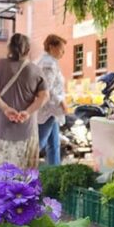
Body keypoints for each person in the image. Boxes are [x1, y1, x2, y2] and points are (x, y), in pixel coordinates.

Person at [0, 33, 47, 169]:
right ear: (28, 50)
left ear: (9, 48)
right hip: (26, 129)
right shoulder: (35, 70)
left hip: (0, 128)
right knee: (25, 175)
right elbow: (44, 96)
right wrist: (27, 112)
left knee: (1, 174)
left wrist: (5, 108)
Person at [36, 33, 68, 165]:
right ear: (51, 47)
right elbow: (47, 88)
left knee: (54, 145)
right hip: (49, 109)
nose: (63, 53)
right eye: (61, 49)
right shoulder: (48, 64)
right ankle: (21, 170)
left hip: (51, 110)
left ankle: (54, 172)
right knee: (40, 143)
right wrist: (62, 102)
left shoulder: (47, 61)